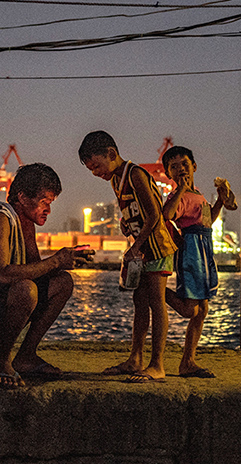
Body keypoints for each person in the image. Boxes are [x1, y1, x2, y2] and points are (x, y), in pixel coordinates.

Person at [0, 162, 92, 389]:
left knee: (63, 282)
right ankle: (0, 363)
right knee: (26, 290)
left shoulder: (25, 223)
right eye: (44, 202)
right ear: (23, 198)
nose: (48, 209)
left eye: (50, 203)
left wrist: (67, 261)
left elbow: (36, 269)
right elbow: (0, 274)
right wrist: (56, 260)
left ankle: (26, 356)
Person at [79, 131, 177, 383]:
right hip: (143, 249)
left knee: (157, 303)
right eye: (91, 169)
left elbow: (155, 215)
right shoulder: (116, 180)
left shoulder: (135, 174)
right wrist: (125, 223)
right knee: (139, 301)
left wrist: (137, 246)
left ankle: (157, 364)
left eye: (97, 165)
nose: (95, 173)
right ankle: (135, 358)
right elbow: (135, 210)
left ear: (111, 154)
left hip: (157, 248)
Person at [160, 145, 234, 379]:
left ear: (194, 166)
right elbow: (167, 215)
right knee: (189, 308)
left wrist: (221, 201)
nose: (180, 169)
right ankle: (155, 290)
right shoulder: (176, 196)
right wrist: (180, 190)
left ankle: (188, 362)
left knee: (202, 309)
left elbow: (208, 220)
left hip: (205, 248)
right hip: (191, 249)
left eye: (184, 164)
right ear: (169, 174)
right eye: (174, 167)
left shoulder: (199, 195)